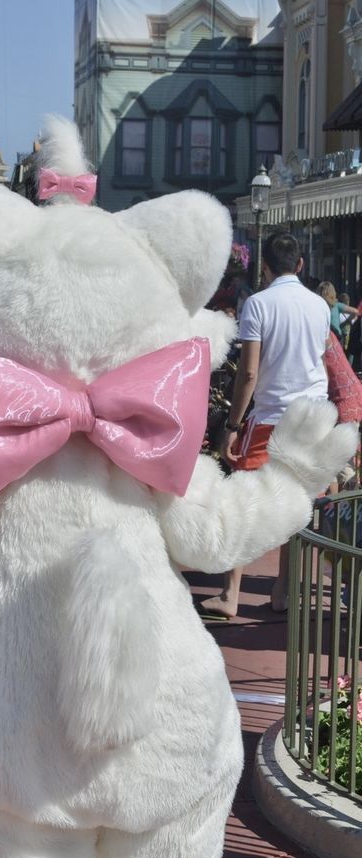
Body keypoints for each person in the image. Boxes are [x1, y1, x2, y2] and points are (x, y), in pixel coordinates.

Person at [201, 232, 331, 618]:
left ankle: (230, 593)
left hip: (272, 416)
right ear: (301, 265)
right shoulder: (320, 306)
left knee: (245, 501)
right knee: (298, 504)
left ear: (266, 267)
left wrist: (234, 423)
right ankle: (284, 590)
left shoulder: (258, 304)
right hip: (313, 417)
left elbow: (249, 372)